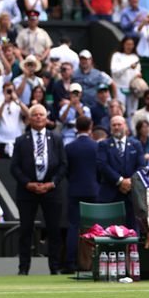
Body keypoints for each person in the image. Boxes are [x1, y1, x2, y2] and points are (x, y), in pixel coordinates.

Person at [11, 104, 67, 275]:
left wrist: (52, 183)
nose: (38, 117)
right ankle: (23, 268)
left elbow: (63, 165)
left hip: (51, 190)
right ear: (29, 118)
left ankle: (55, 267)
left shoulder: (56, 139)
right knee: (26, 230)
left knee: (54, 230)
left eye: (41, 114)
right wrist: (28, 183)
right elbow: (14, 167)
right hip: (27, 191)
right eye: (34, 115)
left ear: (46, 117)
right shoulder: (21, 141)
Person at [63, 116, 99, 273]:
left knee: (74, 226)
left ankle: (70, 263)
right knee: (94, 228)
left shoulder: (69, 147)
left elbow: (66, 170)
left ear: (76, 127)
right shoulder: (96, 146)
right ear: (90, 126)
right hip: (93, 190)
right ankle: (94, 264)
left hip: (75, 190)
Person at [96, 115, 145, 228]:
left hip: (131, 195)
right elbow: (102, 165)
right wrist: (120, 181)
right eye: (114, 125)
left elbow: (141, 166)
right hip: (109, 195)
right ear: (110, 127)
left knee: (132, 231)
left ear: (125, 126)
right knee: (108, 231)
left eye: (119, 124)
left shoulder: (136, 144)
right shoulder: (103, 145)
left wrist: (130, 182)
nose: (117, 127)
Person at [0, 82, 28, 158]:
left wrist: (17, 100)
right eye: (7, 91)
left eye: (11, 90)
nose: (9, 93)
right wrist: (4, 103)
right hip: (1, 140)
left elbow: (28, 113)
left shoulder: (18, 103)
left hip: (16, 140)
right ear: (3, 91)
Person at [110, 37, 142, 115]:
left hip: (132, 89)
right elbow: (114, 71)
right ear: (123, 45)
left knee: (132, 113)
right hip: (119, 88)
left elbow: (138, 71)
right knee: (119, 111)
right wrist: (128, 66)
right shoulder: (116, 56)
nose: (129, 46)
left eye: (131, 44)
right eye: (127, 44)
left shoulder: (135, 57)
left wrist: (138, 75)